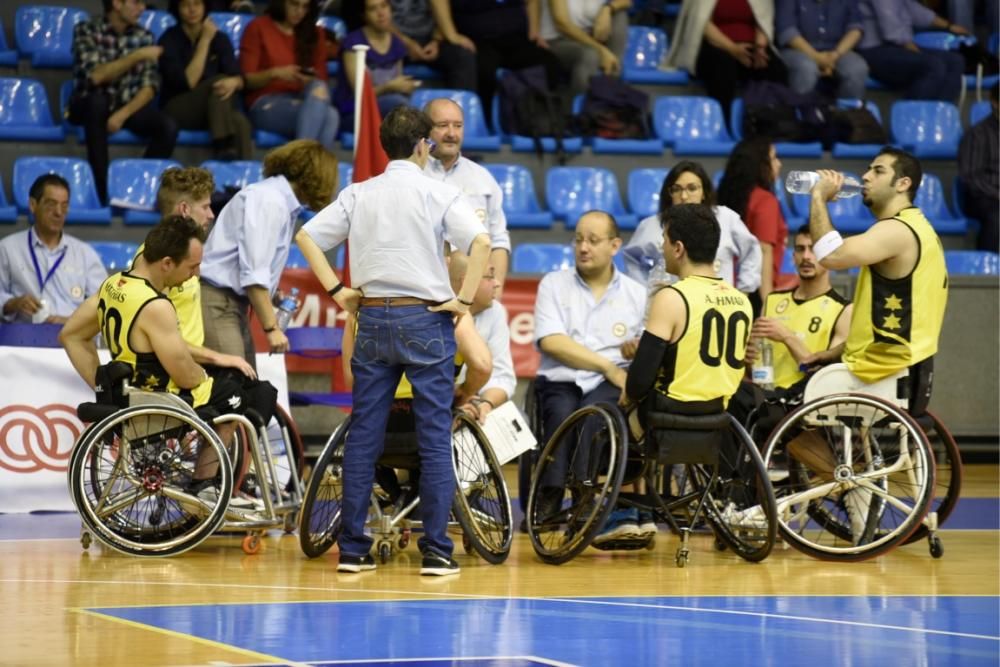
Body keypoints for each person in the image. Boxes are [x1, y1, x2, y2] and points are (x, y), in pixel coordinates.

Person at [294, 106, 491, 576]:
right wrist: (463, 300)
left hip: (373, 317)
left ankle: (355, 551)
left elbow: (306, 236)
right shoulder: (437, 192)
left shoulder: (359, 192)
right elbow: (481, 244)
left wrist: (339, 292)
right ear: (423, 144)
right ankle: (437, 552)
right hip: (424, 318)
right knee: (433, 440)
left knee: (364, 438)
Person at [59, 216, 277, 506]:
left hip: (132, 393)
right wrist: (208, 374)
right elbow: (187, 377)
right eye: (192, 266)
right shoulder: (156, 306)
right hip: (161, 398)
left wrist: (104, 388)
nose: (196, 275)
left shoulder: (114, 285)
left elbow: (70, 335)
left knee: (236, 381)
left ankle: (219, 479)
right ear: (166, 263)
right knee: (243, 393)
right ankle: (205, 485)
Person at [800, 148, 948, 542]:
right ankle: (855, 491)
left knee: (768, 411)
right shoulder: (918, 230)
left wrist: (817, 197)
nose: (865, 177)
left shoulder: (897, 230)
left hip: (880, 372)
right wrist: (833, 353)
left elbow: (831, 256)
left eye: (877, 170)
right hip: (903, 367)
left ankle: (850, 493)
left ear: (903, 184)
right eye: (867, 169)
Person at [530, 210, 647, 542]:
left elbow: (645, 346)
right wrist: (607, 365)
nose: (583, 247)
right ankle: (551, 494)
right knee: (560, 413)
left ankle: (583, 499)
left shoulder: (636, 293)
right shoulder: (554, 284)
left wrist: (636, 348)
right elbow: (552, 341)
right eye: (578, 239)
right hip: (562, 376)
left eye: (593, 241)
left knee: (597, 416)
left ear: (614, 245)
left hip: (611, 384)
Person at [200, 139, 339, 367]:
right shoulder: (270, 201)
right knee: (233, 387)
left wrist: (273, 294)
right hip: (218, 303)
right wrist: (272, 329)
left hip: (228, 304)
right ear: (316, 177)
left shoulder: (275, 199)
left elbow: (251, 265)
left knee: (247, 391)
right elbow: (253, 274)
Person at [726, 224, 851, 425]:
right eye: (800, 249)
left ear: (829, 257)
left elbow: (825, 377)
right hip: (767, 395)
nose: (806, 257)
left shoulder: (843, 309)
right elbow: (755, 370)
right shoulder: (773, 301)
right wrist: (748, 359)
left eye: (814, 250)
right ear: (793, 257)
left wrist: (787, 337)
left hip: (806, 401)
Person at [69, 0, 179, 205]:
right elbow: (96, 76)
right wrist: (136, 56)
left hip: (125, 106)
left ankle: (139, 186)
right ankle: (101, 189)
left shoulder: (144, 36)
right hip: (88, 102)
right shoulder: (86, 30)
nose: (143, 8)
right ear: (117, 4)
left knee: (168, 126)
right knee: (97, 103)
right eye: (136, 2)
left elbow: (149, 87)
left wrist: (123, 114)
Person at [622, 160, 762, 296]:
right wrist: (644, 294)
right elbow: (632, 259)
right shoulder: (652, 225)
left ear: (704, 192)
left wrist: (744, 291)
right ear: (669, 193)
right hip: (671, 309)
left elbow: (751, 251)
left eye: (692, 188)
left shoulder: (726, 218)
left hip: (718, 307)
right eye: (676, 189)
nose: (683, 196)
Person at [423, 98, 511, 295]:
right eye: (442, 126)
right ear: (425, 130)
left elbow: (498, 242)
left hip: (473, 297)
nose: (452, 134)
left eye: (458, 126)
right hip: (421, 296)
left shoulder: (483, 179)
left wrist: (494, 294)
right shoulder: (412, 175)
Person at [429, 0, 566, 123]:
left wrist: (534, 32)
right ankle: (482, 124)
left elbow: (533, 2)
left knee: (550, 64)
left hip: (515, 38)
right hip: (476, 40)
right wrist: (451, 34)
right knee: (483, 69)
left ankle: (545, 122)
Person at [0, 175, 106, 324]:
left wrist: (73, 322)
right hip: (22, 338)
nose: (58, 212)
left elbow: (105, 305)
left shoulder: (85, 254)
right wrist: (12, 303)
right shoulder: (7, 249)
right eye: (51, 204)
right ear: (32, 205)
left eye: (64, 206)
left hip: (72, 338)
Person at [663, 0, 789, 123]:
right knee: (723, 66)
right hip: (713, 44)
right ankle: (723, 121)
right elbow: (701, 23)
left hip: (750, 45)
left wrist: (760, 46)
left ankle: (775, 124)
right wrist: (732, 48)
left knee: (776, 69)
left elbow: (763, 19)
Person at [158, 0, 253, 160]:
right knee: (219, 82)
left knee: (240, 122)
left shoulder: (220, 39)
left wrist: (234, 82)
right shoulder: (169, 39)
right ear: (177, 8)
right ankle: (222, 144)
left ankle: (245, 180)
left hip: (214, 111)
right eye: (186, 5)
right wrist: (205, 40)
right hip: (178, 108)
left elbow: (238, 77)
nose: (192, 9)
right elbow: (188, 82)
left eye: (197, 4)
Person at [240, 0, 340, 150]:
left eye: (305, 6)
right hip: (265, 102)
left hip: (304, 99)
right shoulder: (257, 27)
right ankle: (307, 166)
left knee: (328, 108)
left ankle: (299, 163)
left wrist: (307, 79)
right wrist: (275, 73)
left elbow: (322, 81)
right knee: (330, 116)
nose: (299, 11)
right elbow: (247, 79)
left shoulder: (315, 33)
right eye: (294, 4)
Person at [717, 137, 787, 310]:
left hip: (721, 290)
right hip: (751, 294)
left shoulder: (722, 198)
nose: (779, 164)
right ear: (760, 165)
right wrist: (767, 302)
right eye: (774, 158)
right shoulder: (765, 201)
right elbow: (763, 250)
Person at [855, 0, 968, 102]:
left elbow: (912, 9)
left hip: (897, 47)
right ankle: (911, 120)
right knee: (932, 65)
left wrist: (949, 26)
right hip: (874, 50)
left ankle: (939, 117)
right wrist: (910, 46)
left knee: (955, 61)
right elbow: (889, 20)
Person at [449, 255, 516, 422]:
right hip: (436, 406)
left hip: (478, 400)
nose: (497, 283)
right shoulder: (437, 314)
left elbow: (502, 376)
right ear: (467, 283)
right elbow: (482, 367)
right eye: (490, 276)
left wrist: (485, 404)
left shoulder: (496, 311)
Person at [336, 0, 416, 121]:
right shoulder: (353, 43)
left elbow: (398, 85)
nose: (381, 13)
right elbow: (359, 93)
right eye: (373, 9)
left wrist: (404, 86)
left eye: (384, 6)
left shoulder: (397, 43)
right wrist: (389, 87)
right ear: (364, 15)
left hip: (389, 109)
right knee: (398, 105)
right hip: (355, 111)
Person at [775, 0, 868, 99]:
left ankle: (847, 112)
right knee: (806, 68)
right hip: (796, 50)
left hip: (837, 50)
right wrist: (817, 58)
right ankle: (802, 110)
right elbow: (787, 31)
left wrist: (835, 55)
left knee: (857, 69)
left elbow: (856, 29)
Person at [539, 0, 630, 95]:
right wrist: (601, 50)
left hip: (589, 35)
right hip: (556, 41)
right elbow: (561, 23)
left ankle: (611, 83)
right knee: (590, 55)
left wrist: (608, 8)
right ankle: (584, 104)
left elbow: (627, 2)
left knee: (620, 15)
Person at [387, 0, 477, 92]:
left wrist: (436, 40)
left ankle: (458, 104)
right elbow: (377, 15)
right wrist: (405, 43)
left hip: (431, 38)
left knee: (462, 55)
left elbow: (441, 12)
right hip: (394, 39)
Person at [958, 84, 999, 251]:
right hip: (984, 197)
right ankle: (988, 270)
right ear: (995, 102)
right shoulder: (977, 134)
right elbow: (970, 177)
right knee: (997, 217)